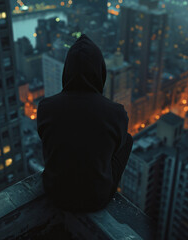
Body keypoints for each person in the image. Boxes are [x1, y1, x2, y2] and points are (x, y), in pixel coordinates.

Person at [37, 34, 133, 212]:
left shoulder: (45, 107)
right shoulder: (116, 112)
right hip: (95, 199)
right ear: (100, 71)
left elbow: (46, 138)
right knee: (126, 139)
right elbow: (118, 144)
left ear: (67, 71)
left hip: (54, 192)